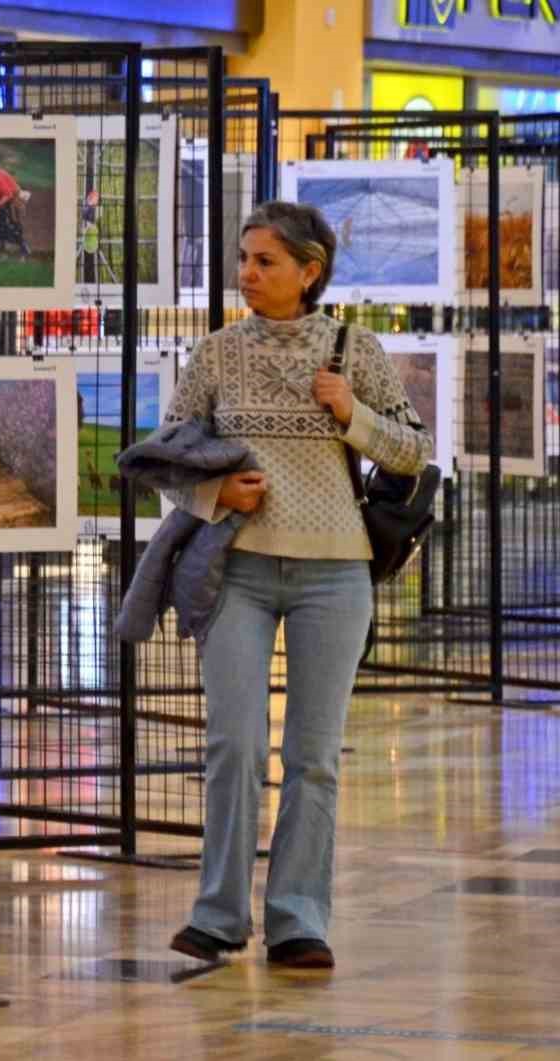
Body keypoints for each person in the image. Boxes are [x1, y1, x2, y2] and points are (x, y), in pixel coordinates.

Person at [161, 201, 432, 970]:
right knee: (234, 744)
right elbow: (168, 459)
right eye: (243, 258)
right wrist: (220, 498)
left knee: (314, 755)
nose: (246, 274)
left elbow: (415, 452)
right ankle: (217, 914)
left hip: (336, 578)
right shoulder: (214, 355)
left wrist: (352, 417)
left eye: (265, 261)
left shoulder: (357, 349)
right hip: (235, 572)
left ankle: (299, 918)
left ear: (309, 272)